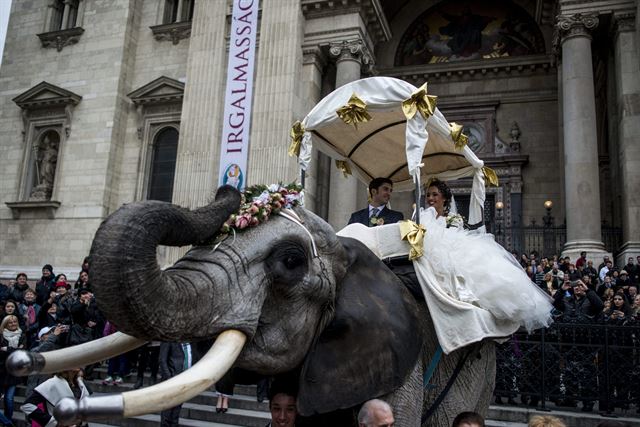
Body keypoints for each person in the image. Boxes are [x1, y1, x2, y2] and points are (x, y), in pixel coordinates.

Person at [21, 368, 90, 426]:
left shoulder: (79, 382)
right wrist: (54, 423)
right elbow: (27, 405)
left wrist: (80, 422)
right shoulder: (52, 383)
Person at [159, 341, 193, 426]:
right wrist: (169, 378)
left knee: (176, 412)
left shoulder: (192, 342)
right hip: (171, 380)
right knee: (167, 411)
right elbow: (162, 360)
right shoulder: (168, 339)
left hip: (185, 381)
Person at [0, 315, 26, 422]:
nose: (13, 324)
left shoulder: (22, 336)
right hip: (1, 371)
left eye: (15, 322)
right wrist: (14, 350)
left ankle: (8, 421)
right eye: (10, 322)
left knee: (9, 399)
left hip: (13, 372)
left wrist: (7, 349)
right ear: (5, 324)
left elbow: (22, 353)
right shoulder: (1, 336)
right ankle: (7, 423)